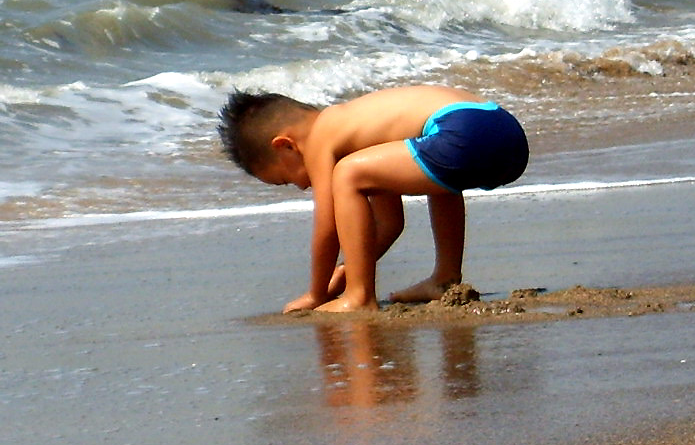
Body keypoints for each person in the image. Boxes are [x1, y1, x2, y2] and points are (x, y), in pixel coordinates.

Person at [217, 84, 529, 313]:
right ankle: (445, 278)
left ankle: (359, 297)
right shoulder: (362, 134)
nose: (301, 186)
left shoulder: (324, 132)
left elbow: (328, 228)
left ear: (285, 145)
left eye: (286, 179)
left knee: (347, 174)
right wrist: (346, 269)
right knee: (438, 176)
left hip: (462, 131)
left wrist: (316, 293)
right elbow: (389, 223)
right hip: (504, 132)